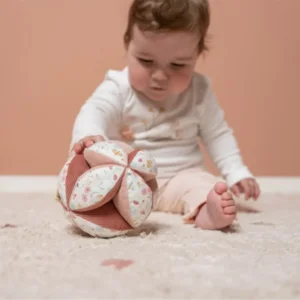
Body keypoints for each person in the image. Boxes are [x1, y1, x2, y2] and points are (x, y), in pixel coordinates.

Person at [70, 0, 260, 230]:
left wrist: (236, 172)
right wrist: (90, 136)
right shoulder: (119, 88)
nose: (160, 76)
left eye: (178, 65)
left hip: (180, 178)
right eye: (146, 61)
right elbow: (94, 110)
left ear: (197, 54)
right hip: (125, 179)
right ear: (127, 44)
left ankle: (207, 211)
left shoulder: (199, 92)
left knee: (205, 186)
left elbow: (218, 134)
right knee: (96, 185)